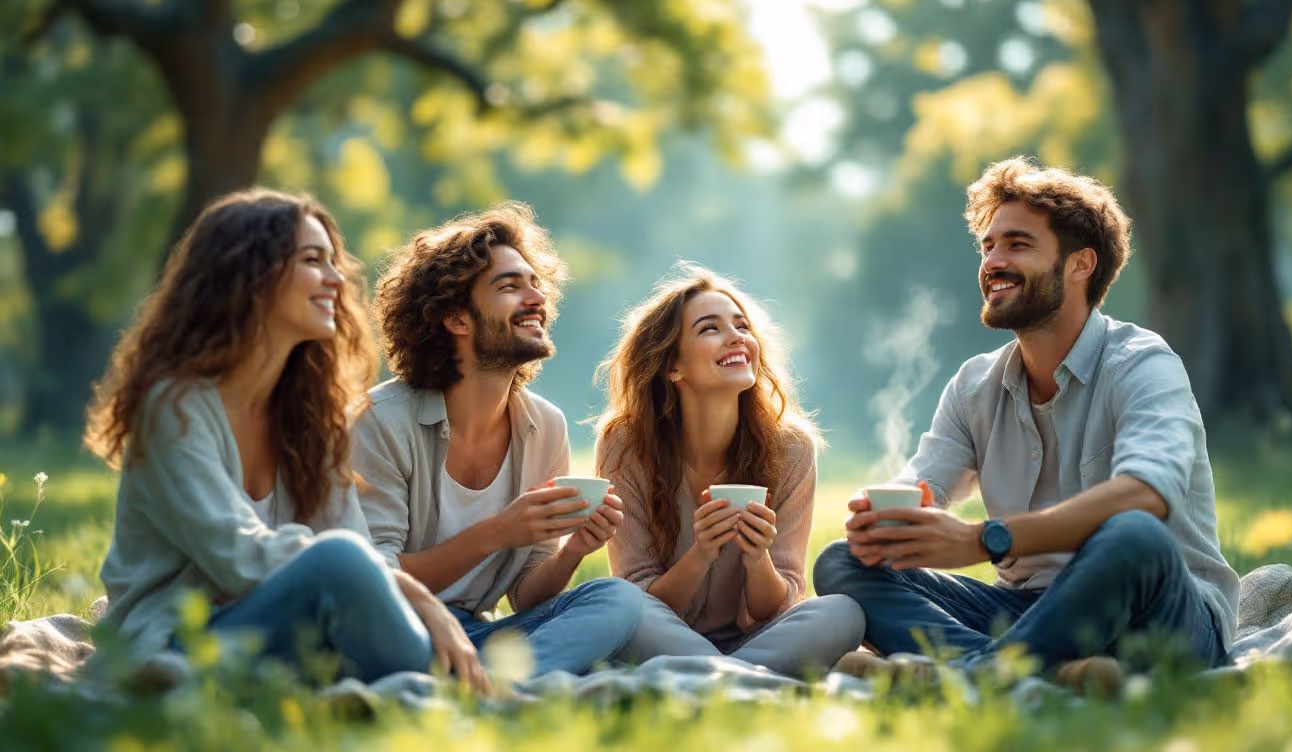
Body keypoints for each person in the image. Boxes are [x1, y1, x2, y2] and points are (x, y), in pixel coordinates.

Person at [814, 157, 1239, 690]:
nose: (993, 260)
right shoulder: (975, 386)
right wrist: (887, 519)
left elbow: (1144, 495)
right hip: (1026, 609)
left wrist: (983, 540)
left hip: (1157, 611)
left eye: (1017, 244)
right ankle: (1047, 673)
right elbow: (925, 483)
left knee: (1134, 535)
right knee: (843, 562)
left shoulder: (1143, 363)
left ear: (1080, 265)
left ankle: (972, 677)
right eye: (988, 246)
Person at [89, 189, 489, 693]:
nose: (336, 279)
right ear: (251, 276)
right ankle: (448, 684)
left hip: (280, 635)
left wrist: (408, 598)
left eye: (333, 262)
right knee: (338, 559)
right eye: (311, 260)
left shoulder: (307, 415)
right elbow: (238, 558)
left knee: (344, 560)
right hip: (173, 642)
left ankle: (447, 678)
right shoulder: (174, 406)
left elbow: (354, 551)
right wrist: (423, 600)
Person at [352, 202, 643, 679]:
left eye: (536, 284)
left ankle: (480, 683)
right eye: (510, 286)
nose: (536, 299)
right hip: (392, 628)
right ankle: (503, 683)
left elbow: (526, 595)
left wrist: (573, 549)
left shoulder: (545, 426)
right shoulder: (380, 420)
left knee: (616, 598)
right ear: (456, 319)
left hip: (477, 631)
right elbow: (373, 579)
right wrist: (496, 533)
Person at [595, 264, 865, 678]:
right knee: (616, 603)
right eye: (710, 329)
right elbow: (636, 599)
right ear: (672, 366)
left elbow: (779, 606)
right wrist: (701, 553)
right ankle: (749, 679)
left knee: (843, 612)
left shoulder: (791, 449)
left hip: (753, 642)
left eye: (741, 325)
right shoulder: (625, 445)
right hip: (660, 634)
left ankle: (714, 678)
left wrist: (758, 559)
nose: (738, 336)